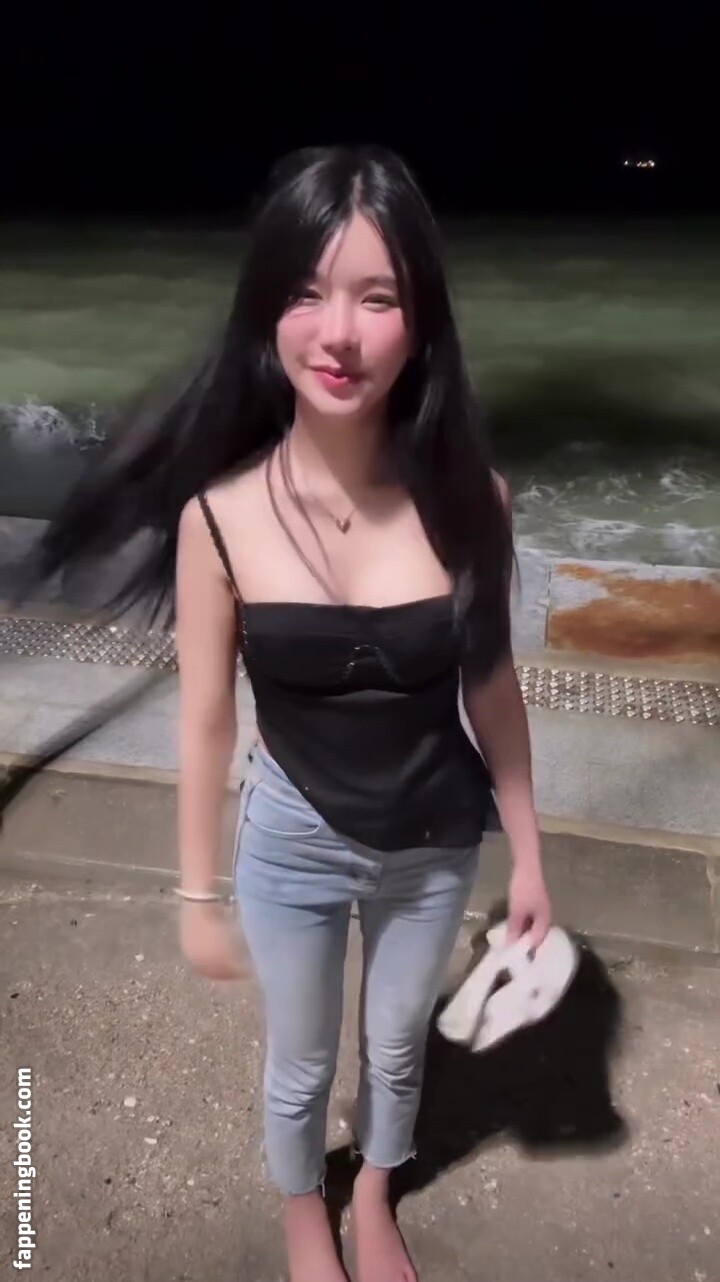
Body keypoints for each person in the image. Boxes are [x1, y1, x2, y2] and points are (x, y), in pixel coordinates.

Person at [26, 145, 552, 1282]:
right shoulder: (219, 517)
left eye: (378, 297)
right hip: (293, 840)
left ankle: (372, 1191)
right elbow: (206, 719)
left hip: (435, 842)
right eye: (307, 293)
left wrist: (531, 856)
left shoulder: (476, 503)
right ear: (267, 312)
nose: (339, 333)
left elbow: (492, 686)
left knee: (399, 1046)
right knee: (301, 1061)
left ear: (422, 319)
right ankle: (301, 1208)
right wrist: (196, 893)